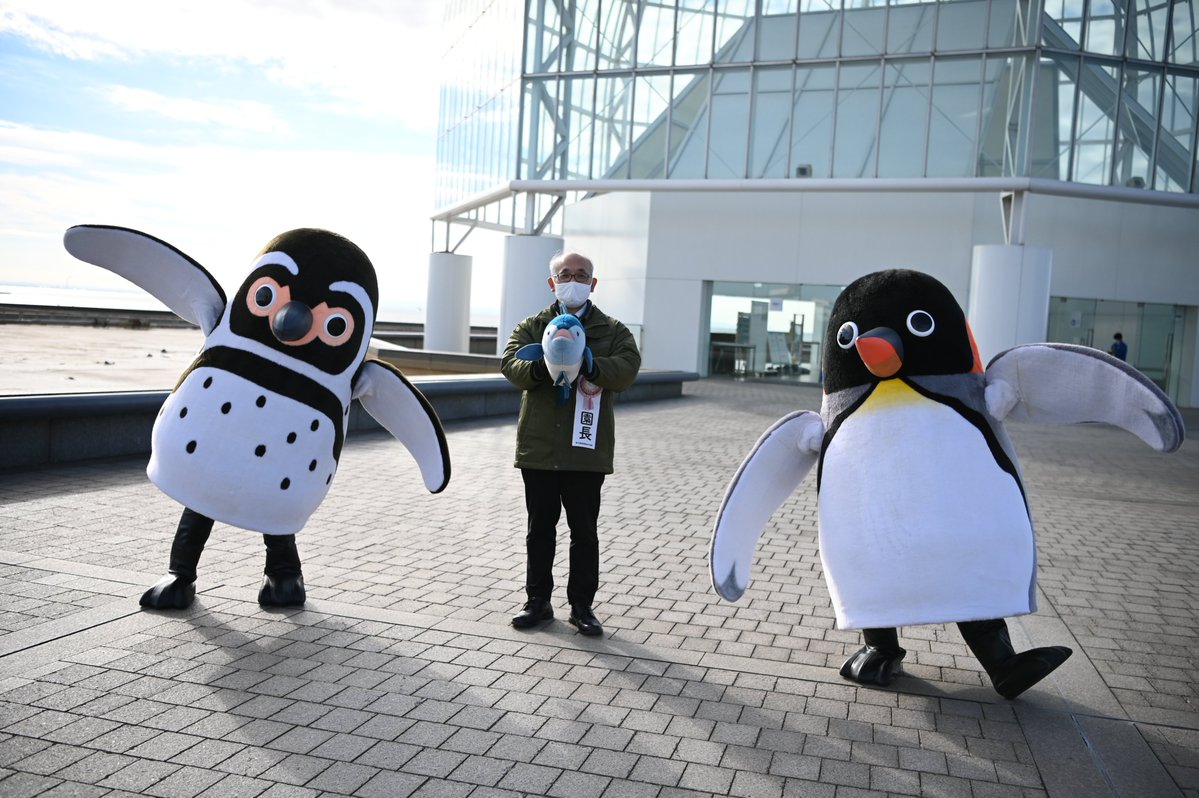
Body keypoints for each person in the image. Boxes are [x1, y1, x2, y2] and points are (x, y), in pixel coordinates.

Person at [500, 251, 641, 636]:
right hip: (540, 449)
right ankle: (538, 602)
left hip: (586, 450)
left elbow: (628, 367)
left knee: (584, 531)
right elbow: (510, 363)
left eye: (581, 275)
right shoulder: (533, 326)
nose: (573, 281)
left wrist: (592, 366)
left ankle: (582, 606)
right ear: (553, 283)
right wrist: (543, 366)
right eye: (565, 275)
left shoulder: (612, 330)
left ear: (593, 284)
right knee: (539, 529)